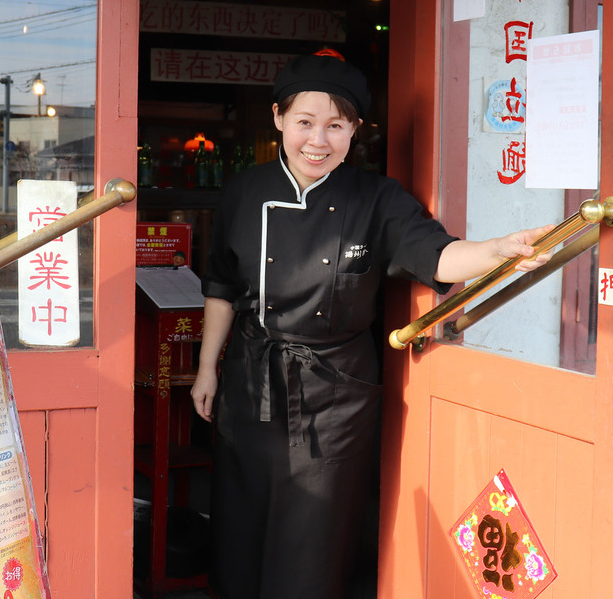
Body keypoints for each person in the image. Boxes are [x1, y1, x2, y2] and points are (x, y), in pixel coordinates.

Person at [189, 52, 556, 599]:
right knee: (242, 526)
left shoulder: (376, 198)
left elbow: (438, 256)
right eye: (305, 123)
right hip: (252, 380)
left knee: (314, 537)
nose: (319, 140)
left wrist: (498, 251)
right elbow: (220, 286)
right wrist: (207, 369)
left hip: (336, 392)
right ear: (277, 119)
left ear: (355, 129)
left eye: (336, 125)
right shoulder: (244, 191)